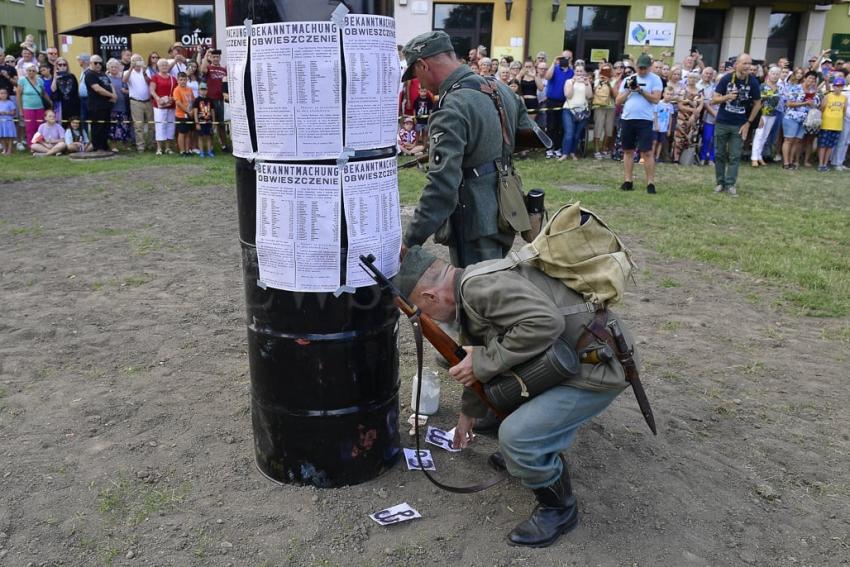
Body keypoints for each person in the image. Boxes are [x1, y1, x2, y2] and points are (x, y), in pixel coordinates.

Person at [395, 246, 634, 548]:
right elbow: (478, 343)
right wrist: (469, 412)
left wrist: (483, 362)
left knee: (517, 436)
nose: (430, 319)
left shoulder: (479, 290)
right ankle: (528, 449)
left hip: (595, 368)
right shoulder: (468, 283)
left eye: (425, 311)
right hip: (567, 355)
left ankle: (559, 510)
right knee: (486, 408)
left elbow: (546, 323)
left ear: (430, 296)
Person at [399, 31, 541, 268]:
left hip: (475, 218)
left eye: (415, 74)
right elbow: (529, 134)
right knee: (492, 285)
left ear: (423, 65)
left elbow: (442, 186)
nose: (418, 83)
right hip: (507, 207)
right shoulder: (499, 88)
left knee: (476, 297)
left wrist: (411, 239)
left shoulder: (451, 108)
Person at [711, 54, 762, 196]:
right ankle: (720, 183)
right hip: (722, 122)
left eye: (750, 64)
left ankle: (730, 184)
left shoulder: (753, 82)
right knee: (720, 154)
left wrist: (749, 122)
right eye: (745, 63)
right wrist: (727, 97)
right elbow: (713, 100)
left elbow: (758, 103)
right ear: (737, 65)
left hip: (739, 124)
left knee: (735, 156)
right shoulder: (726, 79)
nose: (748, 66)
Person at [615, 54, 662, 193]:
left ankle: (650, 183)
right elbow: (618, 100)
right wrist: (630, 90)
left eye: (644, 68)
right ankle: (628, 180)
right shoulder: (628, 79)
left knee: (647, 152)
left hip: (645, 119)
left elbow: (656, 99)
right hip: (628, 118)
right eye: (639, 68)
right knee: (628, 150)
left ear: (649, 67)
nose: (641, 71)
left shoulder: (655, 79)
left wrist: (641, 91)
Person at [544, 51, 574, 158]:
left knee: (560, 126)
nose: (565, 59)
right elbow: (547, 77)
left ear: (571, 59)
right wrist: (554, 62)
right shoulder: (555, 69)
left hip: (565, 102)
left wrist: (570, 65)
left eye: (568, 58)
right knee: (551, 125)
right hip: (552, 101)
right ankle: (549, 149)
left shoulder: (572, 72)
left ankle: (557, 148)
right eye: (563, 57)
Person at [559, 63, 592, 161]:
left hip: (583, 111)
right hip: (569, 110)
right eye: (577, 71)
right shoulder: (569, 81)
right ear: (574, 72)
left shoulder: (587, 82)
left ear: (584, 72)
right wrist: (573, 82)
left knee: (577, 134)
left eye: (581, 71)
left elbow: (589, 96)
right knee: (569, 132)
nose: (579, 73)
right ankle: (565, 153)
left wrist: (586, 83)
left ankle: (573, 153)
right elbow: (568, 95)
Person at [84, 55, 117, 152]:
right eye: (95, 63)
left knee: (105, 127)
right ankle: (97, 147)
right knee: (97, 127)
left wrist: (114, 95)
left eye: (100, 63)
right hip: (96, 106)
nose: (98, 65)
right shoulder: (89, 74)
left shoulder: (103, 74)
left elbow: (110, 84)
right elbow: (97, 88)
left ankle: (104, 146)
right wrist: (111, 95)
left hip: (106, 105)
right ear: (90, 63)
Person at [750, 66, 782, 167]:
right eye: (773, 73)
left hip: (772, 114)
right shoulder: (762, 86)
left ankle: (759, 156)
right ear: (769, 74)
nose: (775, 76)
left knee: (765, 136)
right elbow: (757, 101)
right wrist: (758, 116)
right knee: (759, 135)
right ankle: (754, 158)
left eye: (777, 74)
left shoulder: (779, 87)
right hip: (762, 114)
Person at [199, 48, 228, 151]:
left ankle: (224, 146)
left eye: (217, 57)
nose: (216, 58)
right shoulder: (209, 68)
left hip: (221, 100)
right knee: (209, 123)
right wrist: (206, 55)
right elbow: (202, 69)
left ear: (220, 58)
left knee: (221, 124)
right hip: (210, 100)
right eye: (214, 57)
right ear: (211, 58)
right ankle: (210, 147)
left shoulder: (224, 70)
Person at [672, 71, 703, 164]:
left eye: (694, 78)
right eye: (690, 78)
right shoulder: (682, 90)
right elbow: (680, 106)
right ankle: (676, 159)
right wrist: (693, 111)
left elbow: (701, 105)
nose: (691, 80)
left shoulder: (700, 92)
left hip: (694, 119)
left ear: (697, 80)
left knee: (691, 138)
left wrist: (694, 115)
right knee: (678, 139)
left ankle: (686, 160)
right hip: (682, 118)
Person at [16, 63, 48, 150]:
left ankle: (39, 144)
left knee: (39, 127)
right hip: (28, 108)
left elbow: (43, 92)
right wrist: (20, 110)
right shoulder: (22, 80)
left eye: (33, 71)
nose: (31, 72)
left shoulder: (40, 80)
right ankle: (31, 146)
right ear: (26, 71)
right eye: (29, 70)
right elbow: (18, 95)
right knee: (30, 128)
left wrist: (50, 101)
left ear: (36, 72)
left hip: (39, 107)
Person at [124, 54, 152, 152]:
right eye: (135, 60)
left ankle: (151, 144)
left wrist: (144, 72)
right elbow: (124, 80)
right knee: (138, 126)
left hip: (148, 101)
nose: (137, 62)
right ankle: (140, 146)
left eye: (139, 60)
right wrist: (131, 68)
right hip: (135, 102)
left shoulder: (146, 71)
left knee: (151, 124)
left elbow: (149, 82)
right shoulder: (127, 72)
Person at [817, 77, 847, 171]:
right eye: (836, 86)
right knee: (823, 145)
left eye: (840, 86)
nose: (838, 88)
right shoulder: (828, 96)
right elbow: (822, 108)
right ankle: (820, 164)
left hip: (837, 125)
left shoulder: (844, 98)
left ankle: (825, 164)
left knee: (830, 146)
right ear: (833, 86)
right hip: (826, 124)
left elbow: (844, 111)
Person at [150, 58, 176, 155]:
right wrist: (158, 100)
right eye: (162, 65)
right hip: (159, 105)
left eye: (166, 65)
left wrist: (171, 99)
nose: (164, 67)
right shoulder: (155, 77)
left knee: (170, 125)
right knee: (160, 125)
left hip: (171, 104)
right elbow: (152, 90)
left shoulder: (173, 78)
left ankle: (168, 148)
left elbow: (175, 91)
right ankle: (159, 148)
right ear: (158, 67)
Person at [105, 58, 132, 152]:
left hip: (123, 105)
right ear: (108, 68)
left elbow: (130, 90)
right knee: (113, 127)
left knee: (124, 126)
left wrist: (126, 91)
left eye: (115, 67)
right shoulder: (106, 78)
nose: (113, 68)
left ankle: (126, 145)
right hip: (112, 106)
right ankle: (113, 146)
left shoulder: (122, 78)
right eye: (111, 67)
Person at [591, 63, 615, 159]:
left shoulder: (614, 81)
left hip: (611, 107)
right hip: (599, 106)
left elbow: (614, 95)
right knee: (598, 128)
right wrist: (600, 82)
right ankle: (596, 150)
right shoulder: (597, 81)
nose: (606, 72)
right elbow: (594, 93)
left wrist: (609, 84)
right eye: (604, 70)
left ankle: (604, 148)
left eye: (608, 70)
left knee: (609, 129)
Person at [51, 57, 80, 128]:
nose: (62, 66)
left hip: (73, 104)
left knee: (74, 125)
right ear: (57, 66)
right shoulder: (55, 77)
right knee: (62, 125)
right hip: (61, 105)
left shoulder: (72, 76)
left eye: (64, 64)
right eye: (60, 65)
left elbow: (76, 91)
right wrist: (55, 78)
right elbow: (53, 89)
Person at [830, 72, 850, 170]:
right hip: (845, 119)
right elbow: (844, 107)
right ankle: (836, 162)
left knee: (847, 142)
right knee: (841, 141)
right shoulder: (846, 92)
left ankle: (841, 161)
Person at [172, 72, 195, 156]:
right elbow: (178, 103)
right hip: (181, 115)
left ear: (187, 80)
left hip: (189, 114)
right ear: (177, 80)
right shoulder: (176, 90)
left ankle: (187, 150)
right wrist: (187, 111)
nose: (183, 81)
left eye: (184, 80)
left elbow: (192, 100)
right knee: (181, 133)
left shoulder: (189, 89)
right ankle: (182, 151)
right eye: (181, 80)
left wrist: (192, 110)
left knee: (188, 133)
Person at [192, 82, 215, 158]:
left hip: (208, 122)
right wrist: (197, 123)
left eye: (205, 89)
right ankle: (201, 152)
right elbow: (195, 112)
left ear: (207, 90)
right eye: (201, 89)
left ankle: (209, 151)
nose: (203, 91)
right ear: (199, 90)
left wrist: (213, 122)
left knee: (208, 137)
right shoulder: (197, 100)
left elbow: (212, 111)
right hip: (200, 122)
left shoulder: (210, 100)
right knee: (200, 137)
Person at [653, 86, 675, 162]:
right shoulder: (658, 103)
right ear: (663, 94)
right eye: (667, 94)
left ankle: (657, 157)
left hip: (664, 128)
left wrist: (669, 129)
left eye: (671, 94)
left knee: (661, 142)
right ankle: (651, 156)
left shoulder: (670, 106)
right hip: (656, 127)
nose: (669, 96)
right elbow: (655, 114)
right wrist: (656, 125)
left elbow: (670, 118)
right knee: (654, 141)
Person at [76, 53, 91, 127]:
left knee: (87, 117)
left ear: (84, 61)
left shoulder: (89, 71)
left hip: (88, 98)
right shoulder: (83, 71)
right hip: (82, 98)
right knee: (83, 117)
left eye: (80, 60)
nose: (79, 62)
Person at [0, 87, 16, 154]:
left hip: (9, 122)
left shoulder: (10, 102)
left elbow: (14, 113)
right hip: (1, 122)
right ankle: (4, 149)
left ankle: (9, 149)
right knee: (2, 136)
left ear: (7, 94)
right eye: (1, 93)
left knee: (10, 136)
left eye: (5, 93)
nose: (3, 94)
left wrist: (7, 113)